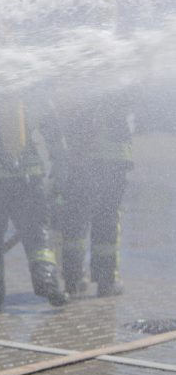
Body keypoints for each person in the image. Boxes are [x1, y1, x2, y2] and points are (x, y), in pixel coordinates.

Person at [0, 97, 69, 311]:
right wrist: (61, 166)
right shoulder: (29, 93)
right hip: (27, 179)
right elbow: (54, 130)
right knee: (37, 236)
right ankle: (47, 281)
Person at [52, 94, 132, 297]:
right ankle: (106, 281)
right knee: (106, 220)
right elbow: (133, 100)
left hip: (80, 163)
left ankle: (73, 279)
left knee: (75, 220)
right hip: (112, 163)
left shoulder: (78, 79)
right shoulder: (118, 79)